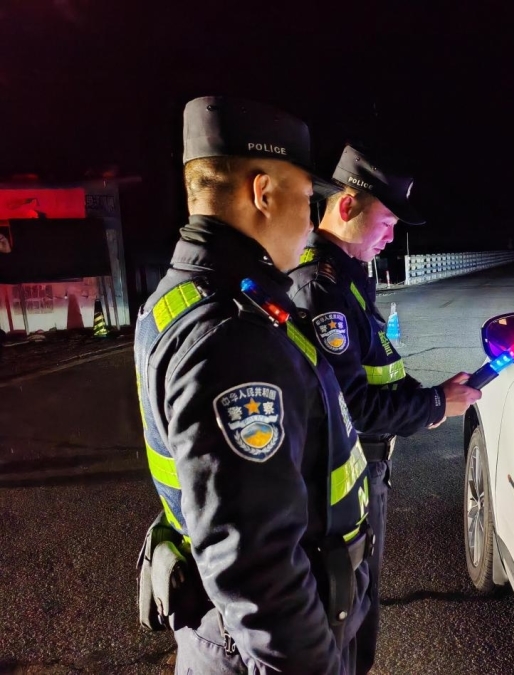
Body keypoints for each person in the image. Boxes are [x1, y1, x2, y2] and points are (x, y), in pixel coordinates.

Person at [134, 96, 372, 675]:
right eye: (306, 198)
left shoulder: (180, 297)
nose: (311, 219)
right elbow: (255, 567)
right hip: (259, 652)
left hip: (227, 640)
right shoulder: (232, 336)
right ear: (262, 193)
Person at [288, 144, 481, 673]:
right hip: (337, 484)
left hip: (362, 472)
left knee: (359, 611)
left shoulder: (348, 276)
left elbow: (381, 369)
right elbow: (350, 407)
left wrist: (432, 394)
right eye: (388, 222)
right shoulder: (320, 287)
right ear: (347, 205)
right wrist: (436, 403)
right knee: (344, 620)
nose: (392, 237)